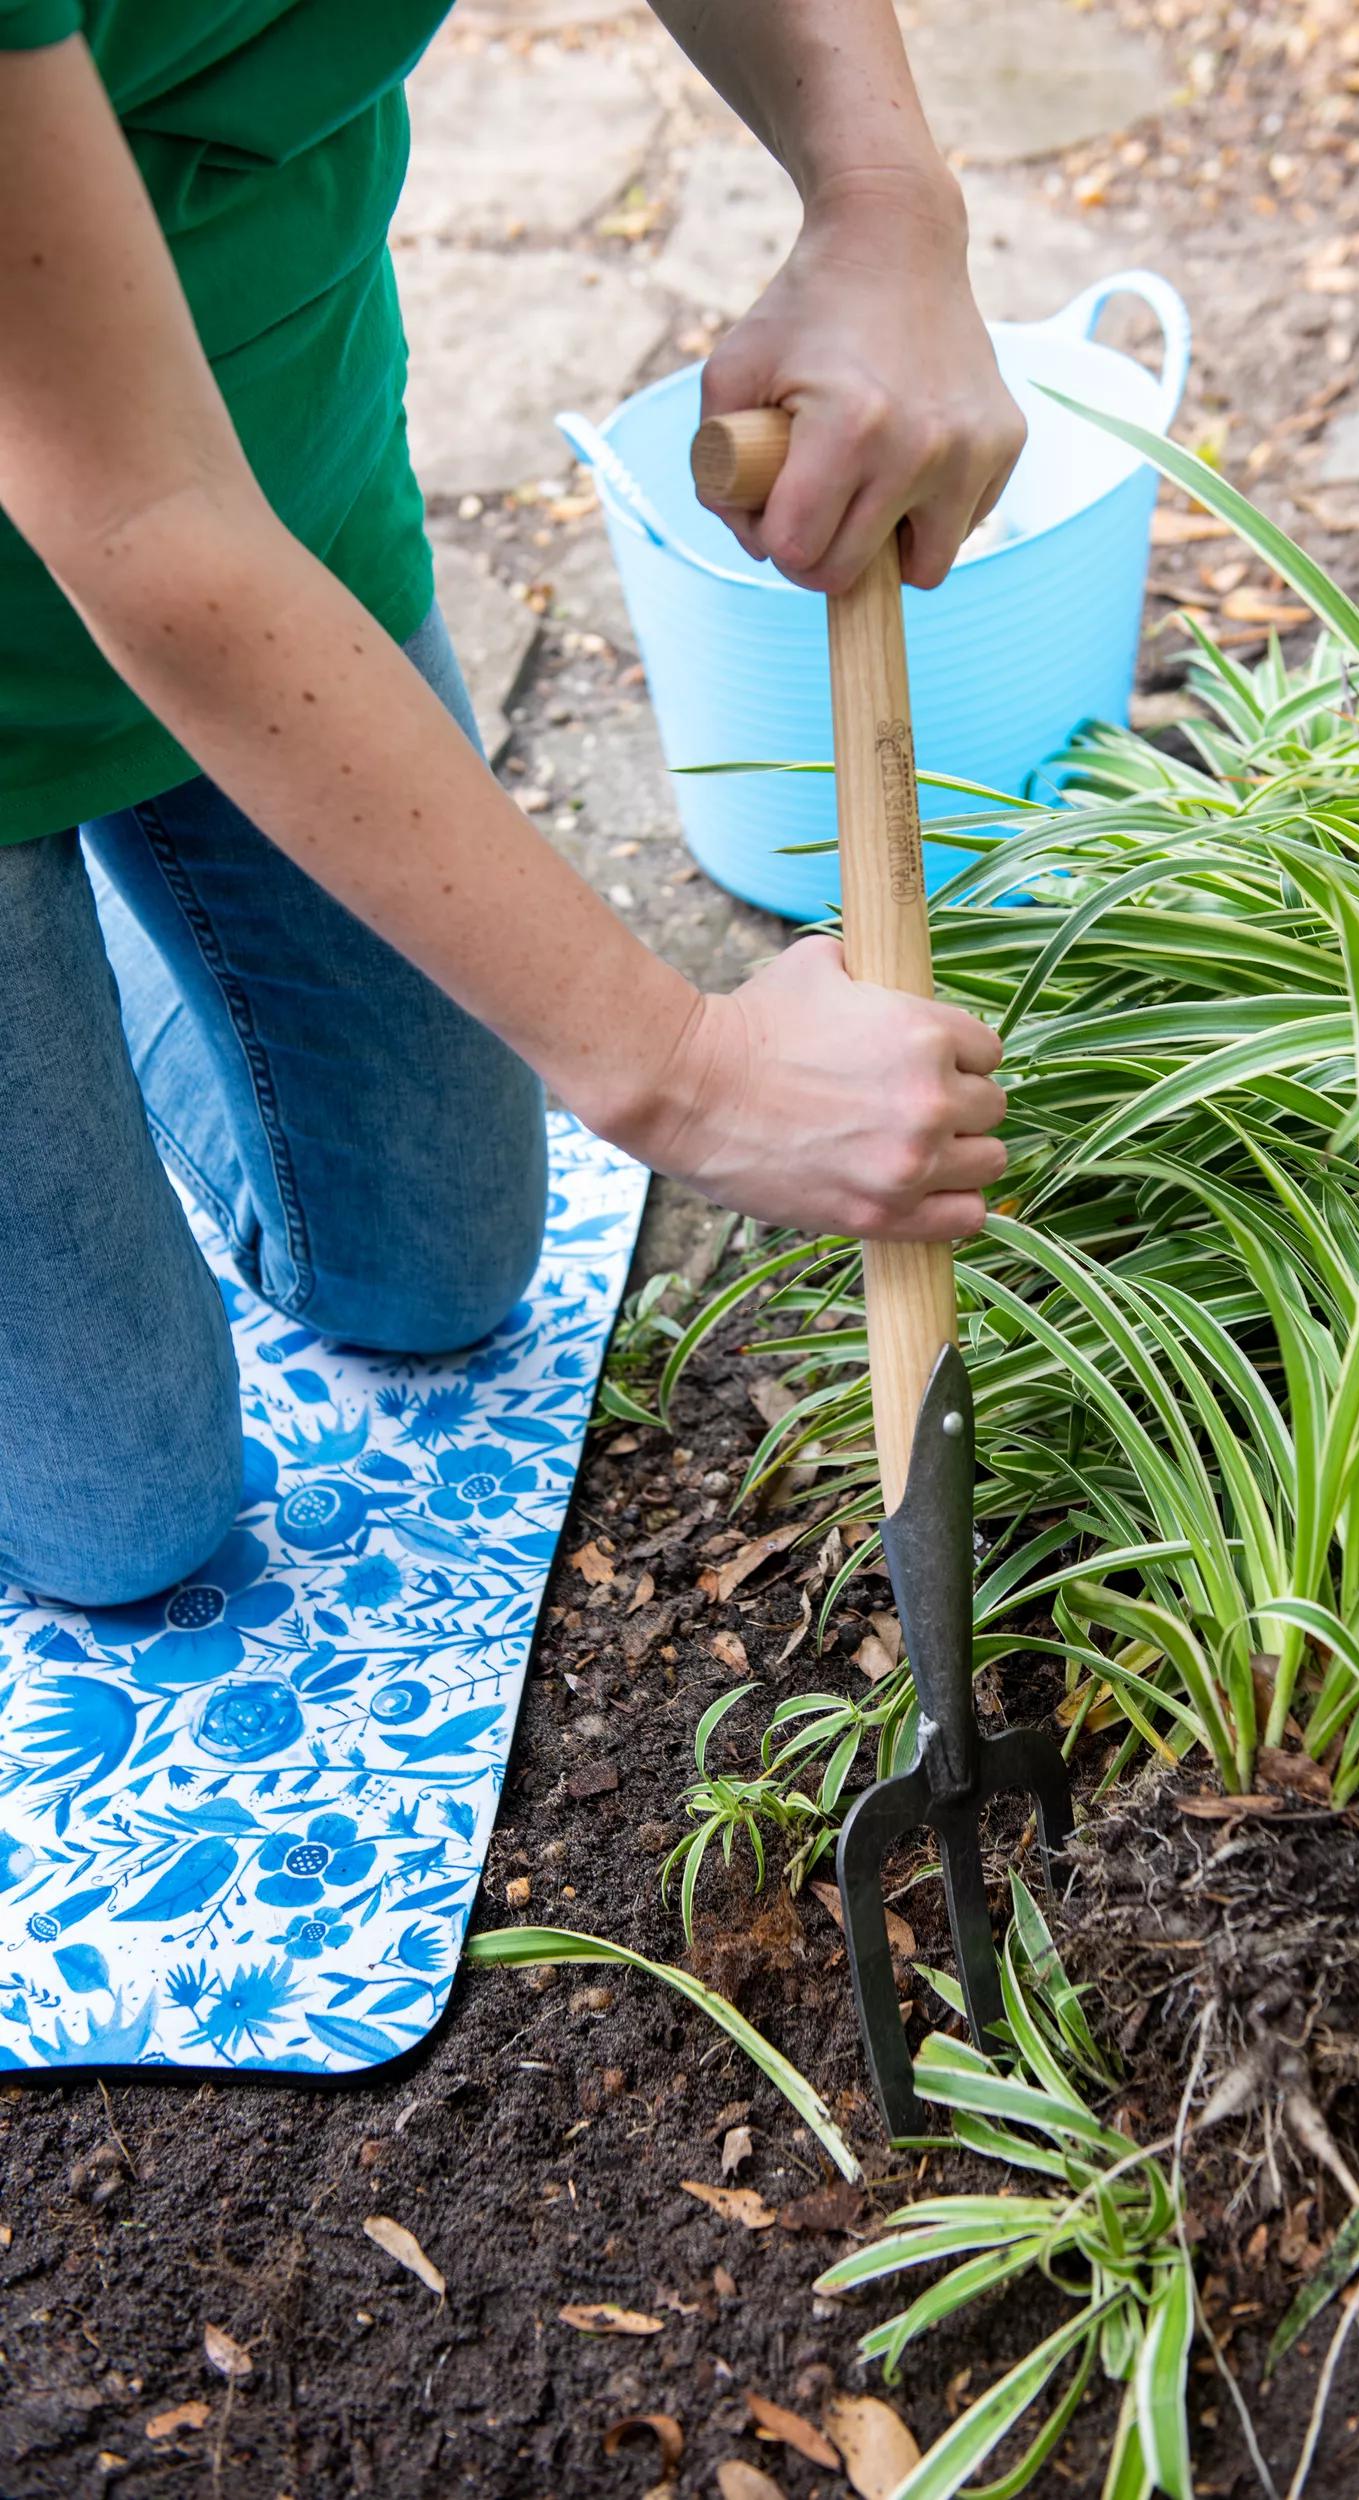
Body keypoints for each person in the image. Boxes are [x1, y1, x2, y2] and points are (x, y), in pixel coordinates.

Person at [0, 2, 1026, 1608]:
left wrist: (885, 196)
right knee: (123, 1512)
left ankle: (98, 960)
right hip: (149, 527)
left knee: (436, 1270)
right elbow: (136, 517)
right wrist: (685, 1074)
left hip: (272, 521)